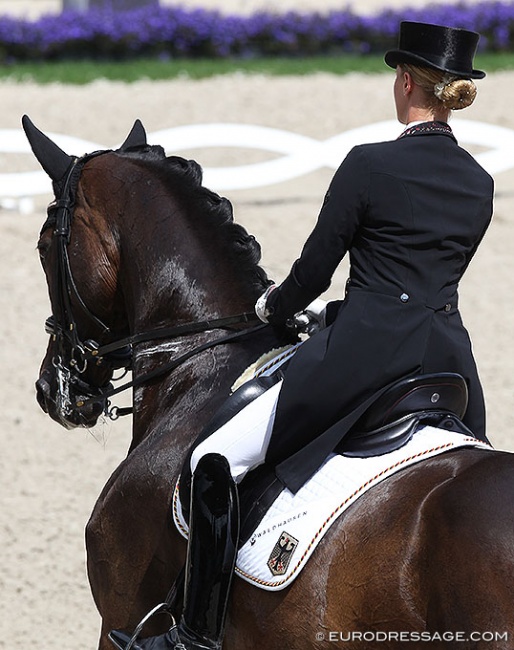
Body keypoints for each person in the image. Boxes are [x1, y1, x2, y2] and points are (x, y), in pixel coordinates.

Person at [110, 20, 494, 650]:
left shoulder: (370, 165)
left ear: (404, 82)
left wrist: (270, 307)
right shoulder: (478, 184)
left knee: (215, 460)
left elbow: (315, 271)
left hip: (364, 356)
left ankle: (193, 636)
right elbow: (428, 279)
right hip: (448, 365)